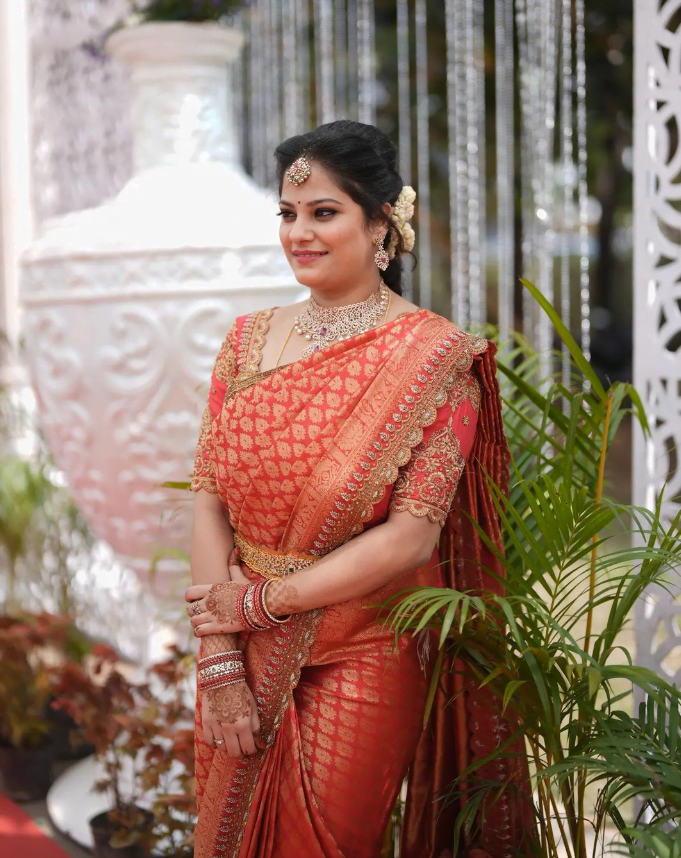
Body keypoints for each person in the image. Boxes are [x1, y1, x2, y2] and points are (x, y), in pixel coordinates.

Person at [184, 120, 533, 858]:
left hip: (363, 649)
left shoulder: (435, 357)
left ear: (383, 224)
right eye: (288, 213)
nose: (298, 233)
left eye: (323, 212)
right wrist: (217, 656)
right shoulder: (246, 341)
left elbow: (411, 536)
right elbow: (208, 493)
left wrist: (258, 603)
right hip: (236, 642)